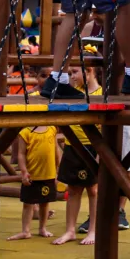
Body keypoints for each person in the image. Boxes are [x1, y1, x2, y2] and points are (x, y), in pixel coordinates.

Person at [54, 69, 99, 245]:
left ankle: (94, 229)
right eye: (70, 73)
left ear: (89, 72)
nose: (72, 77)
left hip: (93, 145)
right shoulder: (72, 93)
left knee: (93, 190)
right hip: (73, 144)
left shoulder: (101, 93)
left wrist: (101, 154)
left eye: (74, 72)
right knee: (73, 189)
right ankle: (70, 230)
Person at [8, 125, 58, 241]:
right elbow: (21, 154)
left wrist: (57, 169)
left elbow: (55, 150)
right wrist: (24, 171)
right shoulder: (25, 132)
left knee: (45, 202)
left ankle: (42, 228)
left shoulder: (52, 129)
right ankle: (25, 231)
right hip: (32, 174)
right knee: (28, 203)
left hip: (48, 173)